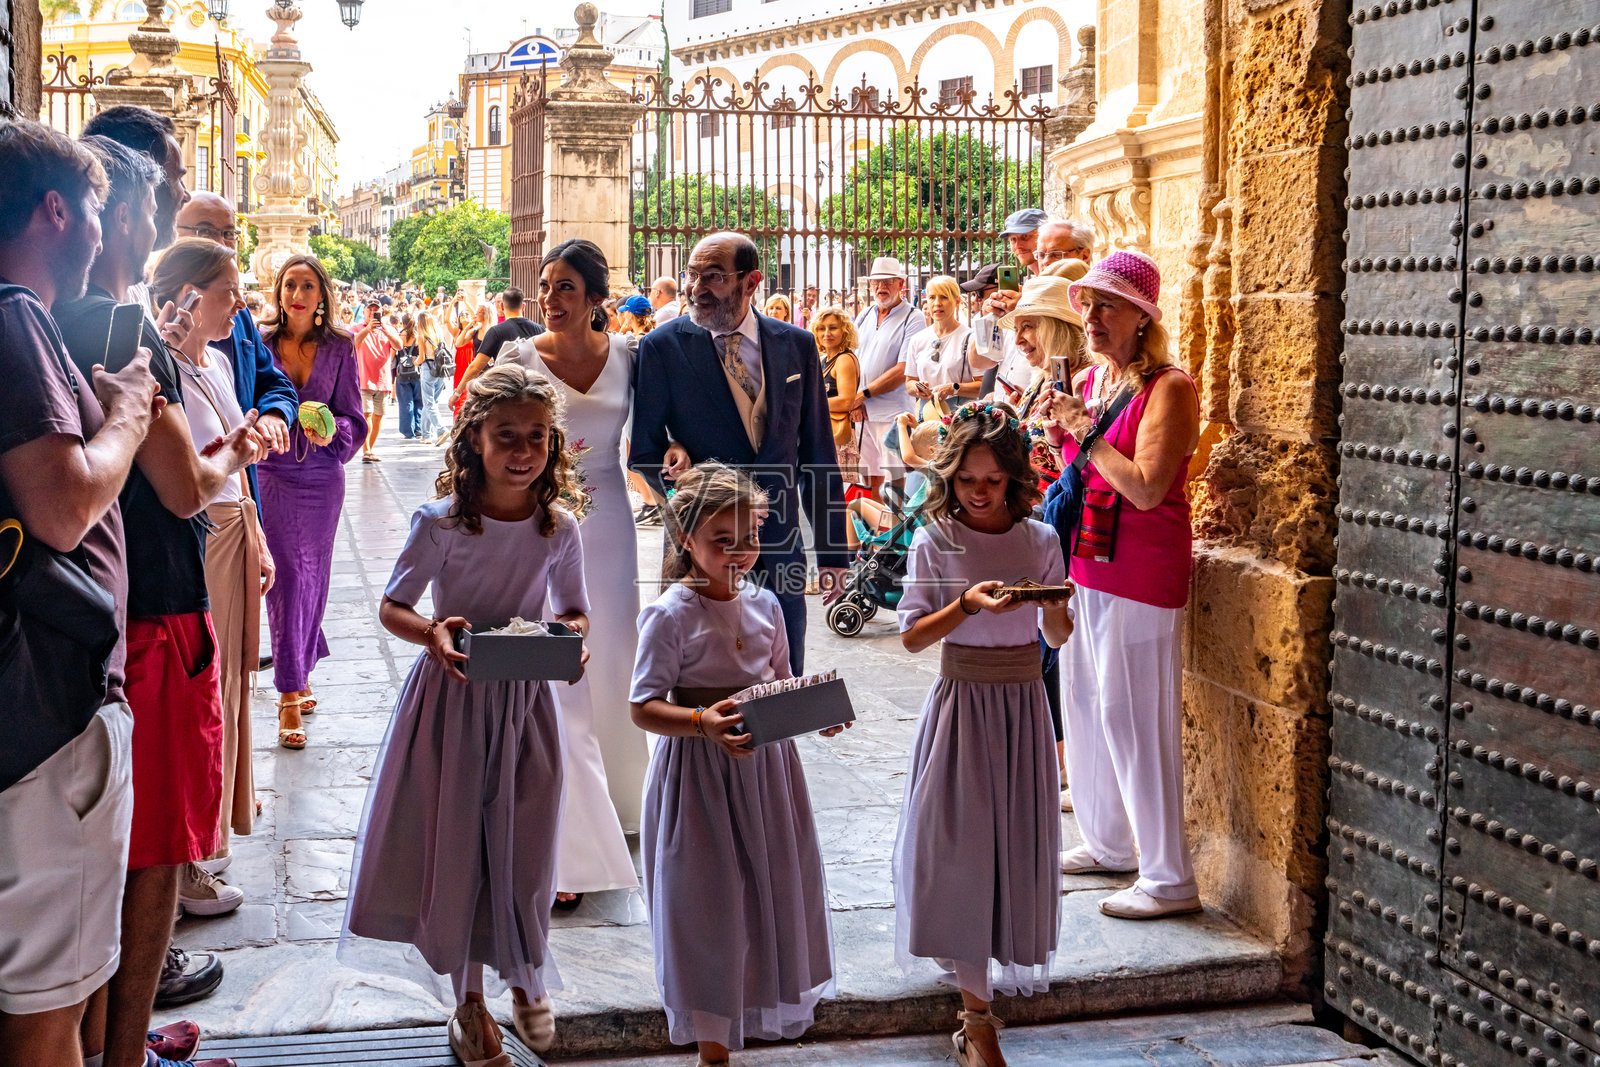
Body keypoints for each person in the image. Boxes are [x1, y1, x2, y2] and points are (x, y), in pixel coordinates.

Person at [54, 136, 263, 1067]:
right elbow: (184, 488)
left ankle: (98, 1041)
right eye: (147, 205)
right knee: (151, 855)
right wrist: (240, 451)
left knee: (101, 850)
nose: (145, 223)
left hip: (91, 610)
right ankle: (127, 1054)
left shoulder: (46, 320)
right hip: (162, 614)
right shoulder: (123, 332)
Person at [342, 365, 589, 1066]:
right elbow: (394, 603)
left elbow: (573, 609)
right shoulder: (443, 521)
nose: (522, 450)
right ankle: (471, 999)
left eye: (536, 436)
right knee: (460, 847)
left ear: (554, 443)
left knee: (527, 842)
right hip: (451, 702)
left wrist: (570, 638)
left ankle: (526, 967)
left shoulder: (558, 526)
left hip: (525, 706)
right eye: (505, 434)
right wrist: (434, 634)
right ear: (473, 439)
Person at [0, 119, 159, 1067]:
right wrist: (130, 421)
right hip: (42, 710)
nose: (105, 225)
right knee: (43, 1003)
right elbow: (61, 505)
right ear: (57, 211)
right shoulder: (15, 314)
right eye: (98, 205)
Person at [630, 462, 841, 1067]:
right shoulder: (671, 615)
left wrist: (815, 711)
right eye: (722, 540)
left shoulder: (768, 604)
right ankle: (711, 1047)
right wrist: (702, 723)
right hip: (698, 777)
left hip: (764, 776)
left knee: (762, 893)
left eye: (748, 538)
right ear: (685, 539)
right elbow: (643, 706)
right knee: (707, 903)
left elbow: (779, 684)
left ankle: (747, 1009)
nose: (739, 552)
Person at [894, 402, 1072, 1067]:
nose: (979, 491)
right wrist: (965, 604)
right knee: (964, 854)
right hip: (965, 704)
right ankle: (977, 1017)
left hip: (1025, 705)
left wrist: (1054, 606)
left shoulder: (1040, 538)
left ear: (1013, 478)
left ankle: (981, 1006)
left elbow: (1056, 639)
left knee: (1015, 850)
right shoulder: (936, 540)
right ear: (951, 476)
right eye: (968, 478)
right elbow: (912, 636)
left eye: (993, 480)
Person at [1044, 250, 1202, 920]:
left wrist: (1083, 435)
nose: (1092, 316)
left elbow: (1144, 487)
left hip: (1141, 566)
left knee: (1134, 715)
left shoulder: (1170, 387)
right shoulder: (1094, 383)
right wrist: (1063, 438)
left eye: (1107, 305)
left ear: (1142, 317)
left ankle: (1168, 875)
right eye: (1088, 304)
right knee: (1085, 701)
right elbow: (1082, 472)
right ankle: (1108, 839)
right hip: (1088, 559)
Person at [630, 231, 850, 673]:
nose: (696, 289)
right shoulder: (662, 347)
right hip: (702, 552)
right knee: (705, 674)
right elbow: (644, 453)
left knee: (781, 674)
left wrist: (831, 552)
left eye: (712, 277)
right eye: (691, 276)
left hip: (780, 544)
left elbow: (818, 455)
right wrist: (685, 485)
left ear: (751, 282)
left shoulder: (797, 345)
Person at [495, 238, 648, 873]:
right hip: (543, 519)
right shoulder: (520, 356)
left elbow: (658, 431)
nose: (550, 298)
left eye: (564, 287)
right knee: (556, 652)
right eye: (546, 285)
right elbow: (484, 430)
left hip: (610, 518)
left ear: (594, 299)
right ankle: (558, 798)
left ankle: (623, 797)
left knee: (614, 648)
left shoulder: (633, 358)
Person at [146, 238, 279, 910]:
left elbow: (233, 458)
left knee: (230, 692)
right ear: (191, 295)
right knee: (205, 695)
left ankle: (208, 842)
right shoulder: (161, 365)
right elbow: (195, 468)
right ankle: (189, 862)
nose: (241, 303)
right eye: (229, 291)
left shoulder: (219, 362)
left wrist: (255, 532)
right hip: (197, 538)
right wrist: (235, 454)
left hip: (232, 530)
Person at [258, 254, 367, 748]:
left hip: (323, 478)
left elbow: (354, 419)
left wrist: (331, 432)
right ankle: (287, 695)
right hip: (273, 473)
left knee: (313, 578)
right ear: (278, 293)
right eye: (289, 285)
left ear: (321, 295)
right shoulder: (258, 343)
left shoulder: (341, 348)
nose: (297, 294)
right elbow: (244, 400)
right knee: (287, 578)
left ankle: (299, 670)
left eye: (307, 286)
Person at [849, 256, 925, 498]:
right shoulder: (865, 315)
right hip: (863, 411)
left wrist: (862, 395)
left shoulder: (913, 317)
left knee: (894, 479)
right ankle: (873, 532)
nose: (881, 287)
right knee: (867, 477)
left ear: (901, 283)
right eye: (876, 282)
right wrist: (856, 401)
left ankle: (894, 531)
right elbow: (850, 357)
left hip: (892, 413)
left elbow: (904, 368)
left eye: (888, 282)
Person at [904, 275, 984, 414]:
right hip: (927, 417)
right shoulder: (918, 339)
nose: (937, 303)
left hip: (959, 417)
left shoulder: (970, 338)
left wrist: (953, 388)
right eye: (932, 297)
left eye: (944, 297)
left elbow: (982, 385)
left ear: (957, 301)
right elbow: (909, 382)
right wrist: (918, 388)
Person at [453, 286, 544, 396]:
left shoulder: (496, 332)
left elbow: (476, 367)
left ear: (501, 306)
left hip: (506, 391)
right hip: (534, 390)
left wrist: (457, 393)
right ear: (523, 306)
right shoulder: (539, 330)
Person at [811, 305, 861, 485]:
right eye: (821, 328)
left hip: (838, 436)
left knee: (835, 494)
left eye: (833, 328)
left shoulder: (844, 360)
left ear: (844, 331)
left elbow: (847, 401)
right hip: (827, 433)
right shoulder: (826, 359)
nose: (827, 333)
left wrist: (811, 403)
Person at [354, 302, 398, 461]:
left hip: (383, 380)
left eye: (376, 310)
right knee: (367, 414)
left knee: (378, 416)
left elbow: (398, 346)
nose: (373, 313)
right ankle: (366, 451)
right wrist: (367, 329)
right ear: (364, 312)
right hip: (364, 379)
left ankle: (370, 448)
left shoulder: (387, 329)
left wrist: (387, 332)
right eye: (370, 309)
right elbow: (352, 344)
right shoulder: (357, 328)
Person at [415, 308, 453, 444]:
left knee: (429, 403)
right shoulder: (439, 334)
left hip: (428, 369)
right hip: (441, 370)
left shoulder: (421, 336)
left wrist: (414, 362)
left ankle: (441, 430)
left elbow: (421, 358)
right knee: (431, 403)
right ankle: (426, 435)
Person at [393, 312, 425, 440]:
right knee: (419, 401)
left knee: (405, 402)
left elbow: (391, 356)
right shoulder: (419, 337)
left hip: (402, 373)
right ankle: (419, 428)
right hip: (417, 372)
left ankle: (407, 430)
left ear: (403, 323)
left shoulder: (399, 336)